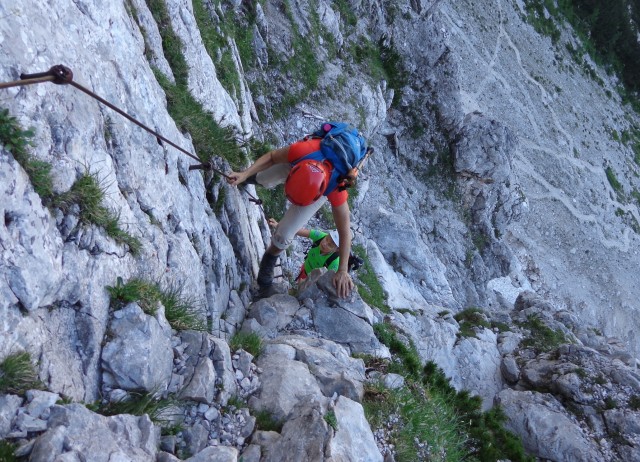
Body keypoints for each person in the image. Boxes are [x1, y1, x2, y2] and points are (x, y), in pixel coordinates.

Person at [226, 133, 363, 299]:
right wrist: (245, 174)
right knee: (264, 178)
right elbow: (271, 157)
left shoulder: (335, 189)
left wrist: (342, 270)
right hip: (301, 164)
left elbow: (344, 232)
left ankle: (264, 283)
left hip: (320, 185)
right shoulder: (303, 150)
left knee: (284, 235)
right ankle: (248, 180)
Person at [267, 218, 342, 284]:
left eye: (330, 245)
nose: (325, 243)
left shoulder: (334, 263)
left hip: (313, 281)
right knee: (298, 283)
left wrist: (307, 283)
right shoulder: (320, 236)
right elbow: (299, 231)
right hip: (305, 268)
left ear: (336, 250)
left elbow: (325, 282)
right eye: (326, 239)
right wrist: (279, 226)